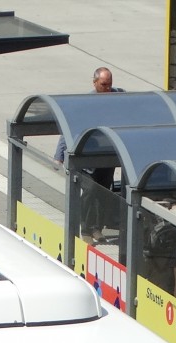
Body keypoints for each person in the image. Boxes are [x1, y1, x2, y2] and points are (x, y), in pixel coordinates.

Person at [52, 68, 123, 244]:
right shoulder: (86, 103)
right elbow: (69, 130)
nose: (107, 89)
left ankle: (97, 229)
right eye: (103, 85)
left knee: (104, 193)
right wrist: (59, 154)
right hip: (85, 159)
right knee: (90, 190)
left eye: (109, 85)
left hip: (106, 157)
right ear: (94, 83)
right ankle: (86, 228)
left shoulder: (119, 100)